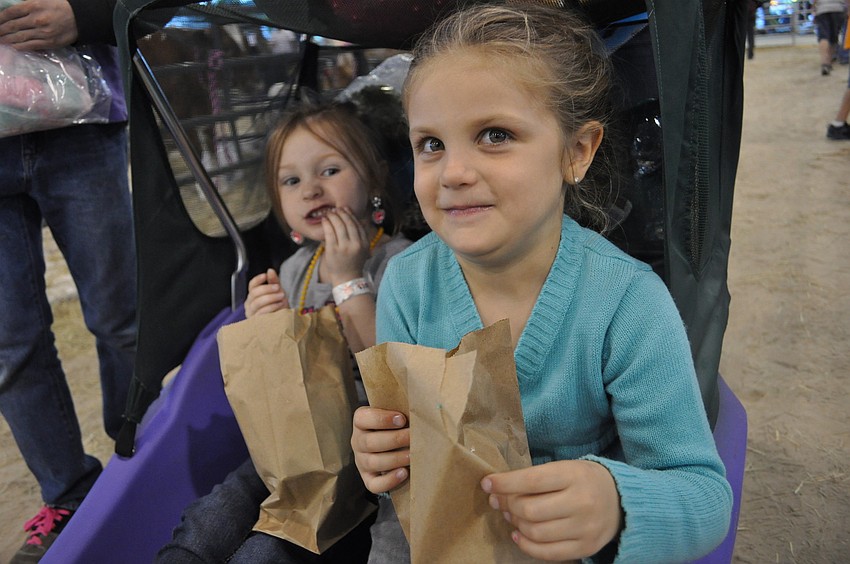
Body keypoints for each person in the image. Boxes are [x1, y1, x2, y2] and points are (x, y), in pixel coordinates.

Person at [351, 3, 733, 563]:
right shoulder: (406, 282)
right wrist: (378, 450)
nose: (453, 172)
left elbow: (704, 496)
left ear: (576, 152)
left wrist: (617, 501)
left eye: (495, 134)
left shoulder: (626, 303)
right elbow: (403, 448)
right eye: (431, 144)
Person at [156, 102, 412, 563]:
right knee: (216, 509)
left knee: (270, 548)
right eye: (291, 181)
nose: (310, 189)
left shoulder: (401, 263)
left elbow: (391, 376)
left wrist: (349, 279)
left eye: (329, 170)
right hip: (299, 441)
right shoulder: (294, 270)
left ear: (374, 180)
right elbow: (281, 382)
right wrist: (266, 326)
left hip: (367, 456)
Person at [0, 0, 136, 562]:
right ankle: (68, 499)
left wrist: (88, 13)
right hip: (74, 111)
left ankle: (143, 462)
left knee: (121, 319)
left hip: (81, 117)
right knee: (10, 347)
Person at [814, 0, 849, 75]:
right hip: (838, 9)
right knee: (834, 38)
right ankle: (829, 61)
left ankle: (825, 63)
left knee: (823, 37)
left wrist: (814, 9)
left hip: (822, 9)